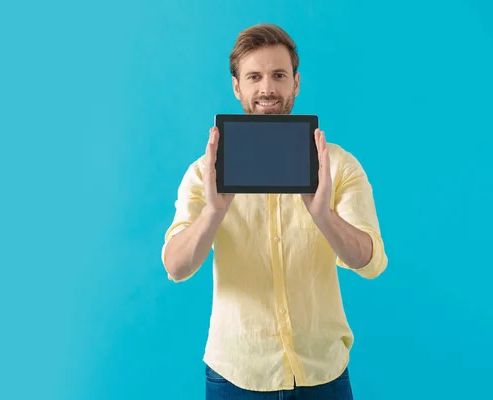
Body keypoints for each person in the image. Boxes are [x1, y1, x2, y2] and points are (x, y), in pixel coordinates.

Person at [161, 23, 388, 400]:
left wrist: (323, 215)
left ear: (296, 83)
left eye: (279, 75)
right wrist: (213, 212)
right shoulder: (204, 173)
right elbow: (175, 266)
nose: (267, 88)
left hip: (323, 371)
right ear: (237, 88)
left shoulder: (340, 166)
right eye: (254, 77)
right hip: (236, 373)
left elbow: (370, 262)